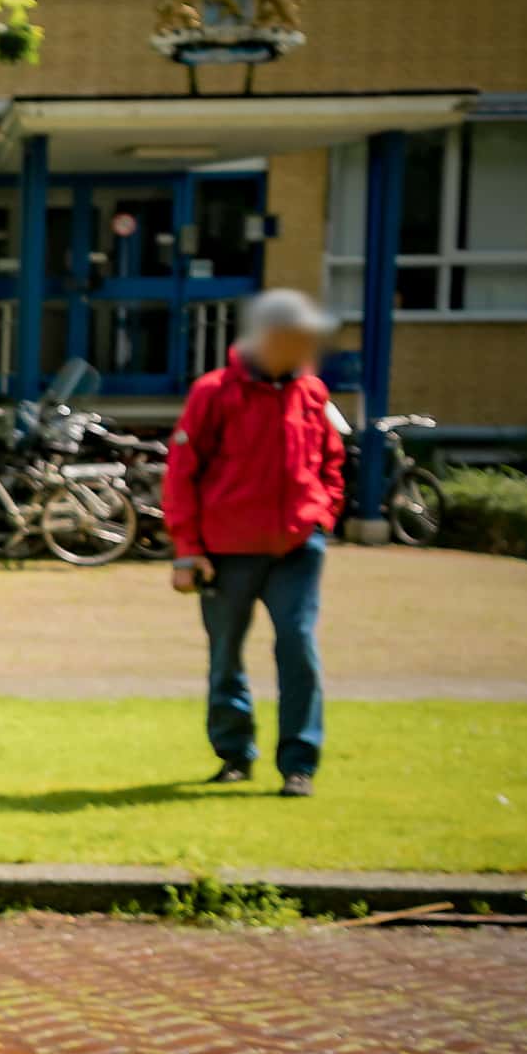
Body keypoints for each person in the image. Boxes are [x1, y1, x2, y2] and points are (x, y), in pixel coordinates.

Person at [162, 289, 352, 796]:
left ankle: (299, 765)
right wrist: (187, 549)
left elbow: (332, 460)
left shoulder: (312, 392)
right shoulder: (213, 392)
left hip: (296, 545)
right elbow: (182, 473)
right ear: (268, 337)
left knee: (298, 646)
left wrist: (322, 516)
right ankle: (234, 755)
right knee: (226, 654)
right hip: (225, 550)